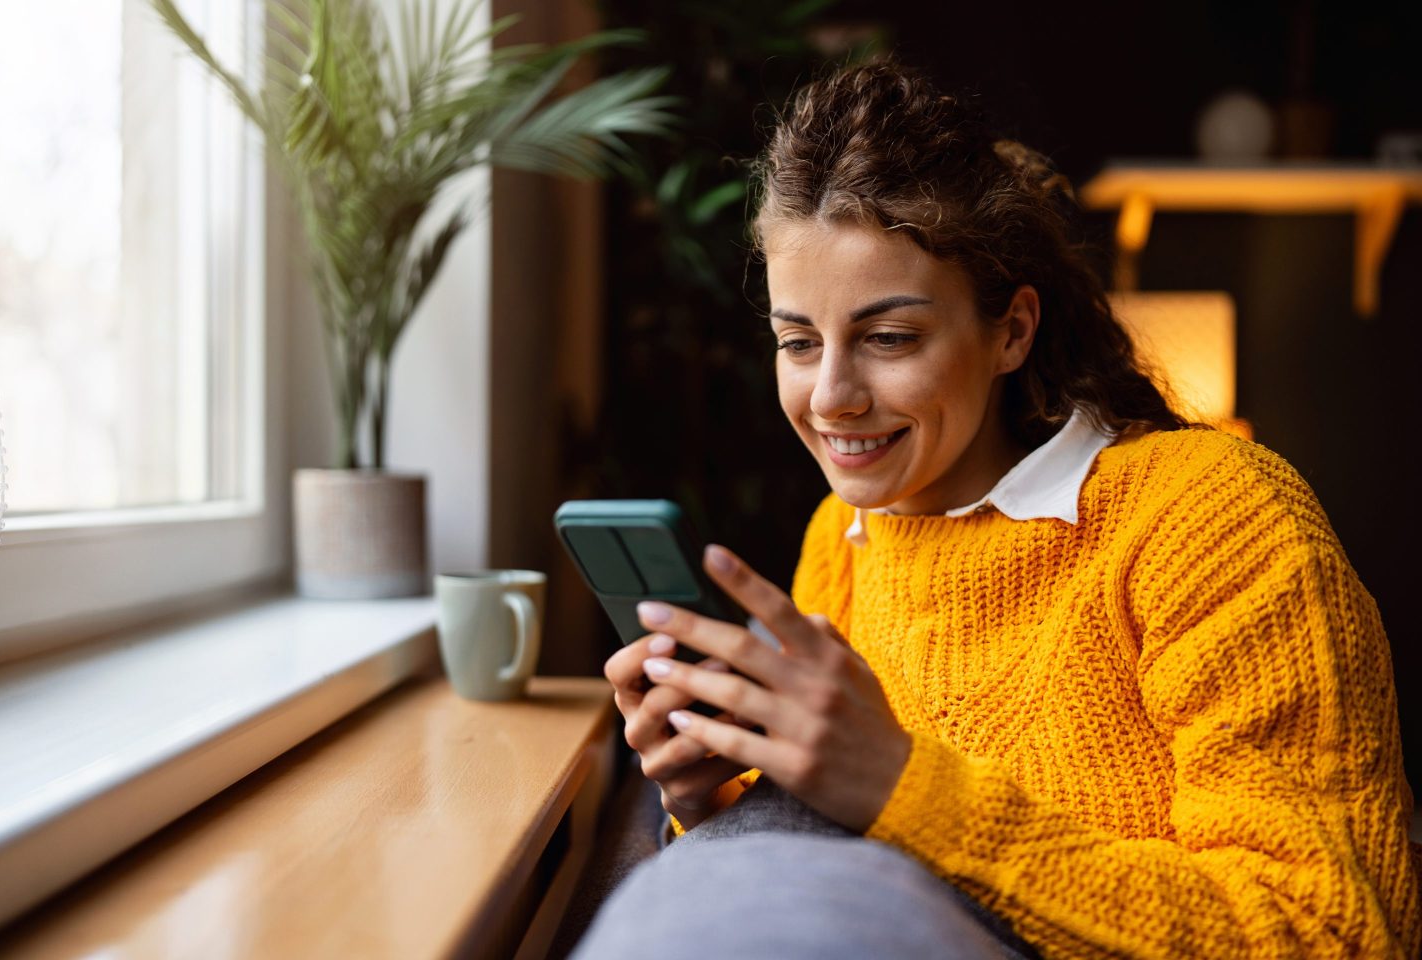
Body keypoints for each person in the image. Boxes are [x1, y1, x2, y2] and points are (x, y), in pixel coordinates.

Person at [570, 59, 1421, 959]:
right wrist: (708, 802)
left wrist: (905, 784)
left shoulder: (1211, 519)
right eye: (797, 341)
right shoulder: (847, 539)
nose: (830, 398)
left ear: (1011, 330)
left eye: (889, 338)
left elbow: (1327, 934)